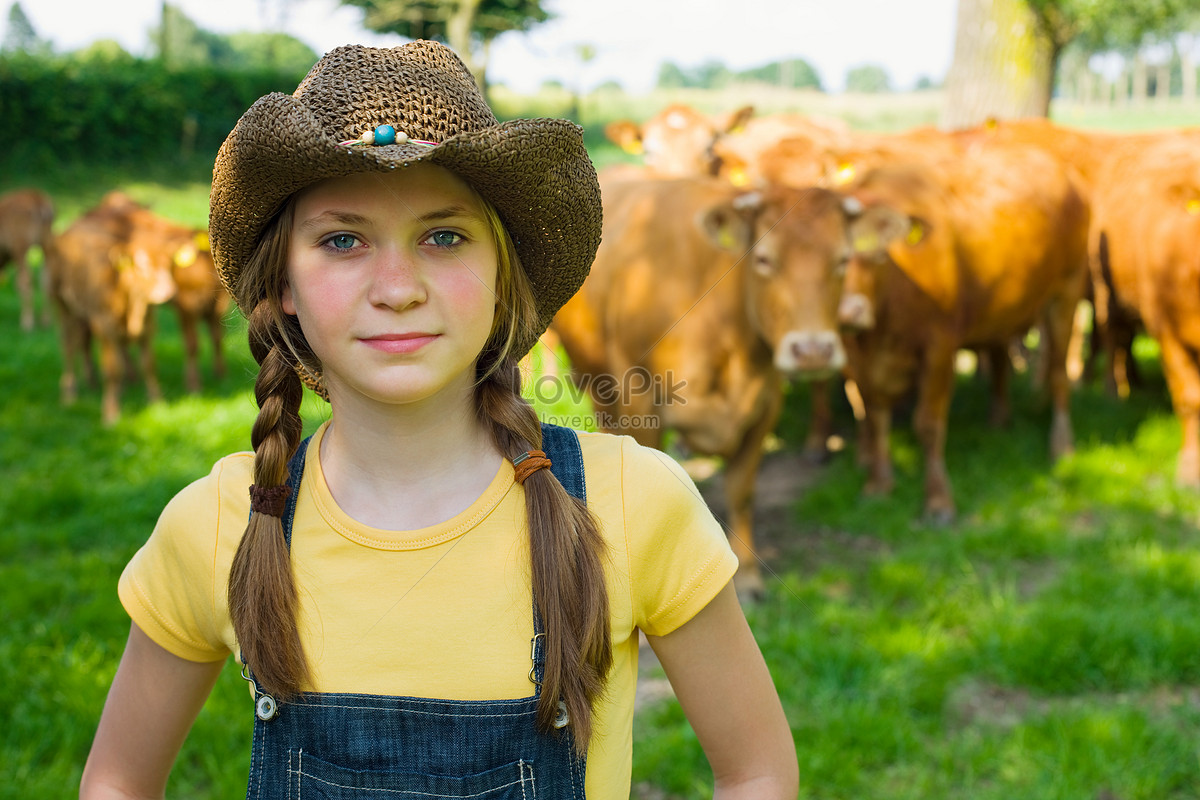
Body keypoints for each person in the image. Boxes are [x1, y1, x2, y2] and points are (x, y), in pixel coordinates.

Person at [80, 41, 797, 800]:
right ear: (284, 281)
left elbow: (756, 770)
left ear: (501, 272)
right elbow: (117, 781)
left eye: (444, 236)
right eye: (342, 240)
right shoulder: (221, 523)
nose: (397, 288)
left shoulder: (632, 502)